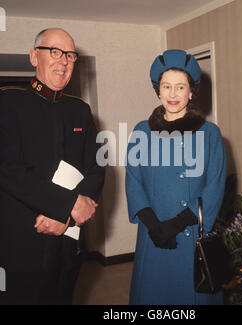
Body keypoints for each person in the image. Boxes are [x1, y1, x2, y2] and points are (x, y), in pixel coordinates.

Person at [0, 28, 105, 304]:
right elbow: (8, 169)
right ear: (34, 57)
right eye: (55, 52)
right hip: (22, 243)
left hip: (68, 243)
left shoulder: (80, 110)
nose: (64, 61)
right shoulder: (7, 103)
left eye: (70, 55)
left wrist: (68, 216)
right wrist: (65, 206)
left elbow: (97, 167)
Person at [125, 49, 226, 305]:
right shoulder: (141, 131)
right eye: (166, 86)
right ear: (157, 90)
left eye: (180, 87)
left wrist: (175, 225)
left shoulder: (210, 133)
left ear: (191, 92)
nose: (172, 94)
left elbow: (214, 186)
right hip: (153, 235)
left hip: (190, 233)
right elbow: (133, 181)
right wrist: (156, 226)